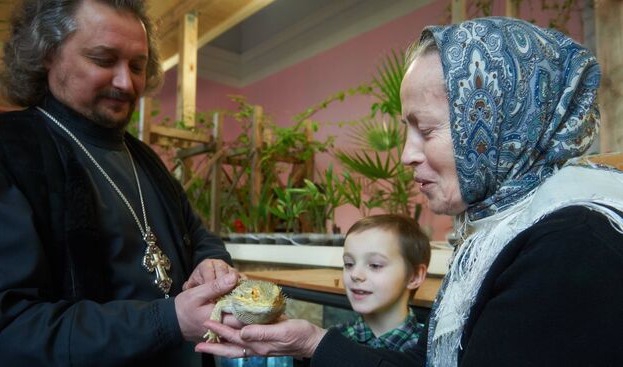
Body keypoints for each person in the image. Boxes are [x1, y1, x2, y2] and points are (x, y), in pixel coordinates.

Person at [195, 17, 623, 366]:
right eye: (407, 130)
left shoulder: (571, 246)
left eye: (428, 129)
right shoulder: (499, 231)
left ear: (496, 124)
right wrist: (310, 342)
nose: (406, 155)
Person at [0, 0, 242, 365]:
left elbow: (199, 238)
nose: (125, 82)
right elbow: (3, 331)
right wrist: (169, 320)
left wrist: (212, 266)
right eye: (103, 59)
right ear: (47, 54)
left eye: (137, 66)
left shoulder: (146, 160)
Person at [337, 214, 429, 352]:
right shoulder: (334, 340)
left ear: (414, 276)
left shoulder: (430, 352)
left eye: (375, 265)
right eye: (349, 264)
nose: (355, 274)